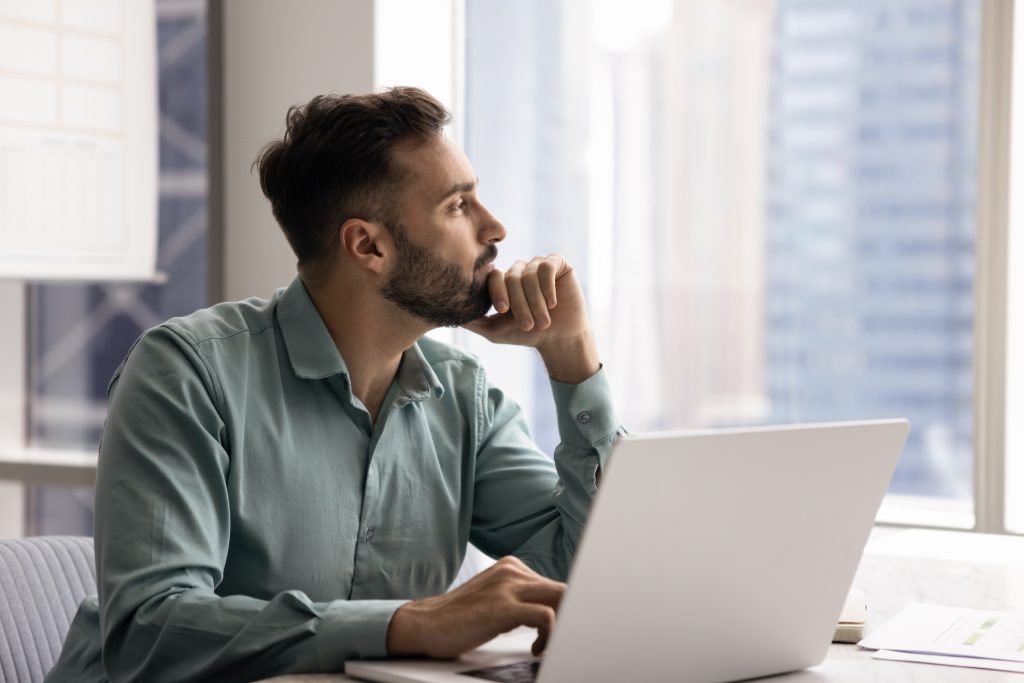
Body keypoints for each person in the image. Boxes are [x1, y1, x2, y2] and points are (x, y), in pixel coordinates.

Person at [47, 87, 623, 682]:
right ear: (367, 245)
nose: (495, 228)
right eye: (459, 206)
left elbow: (588, 571)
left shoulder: (464, 397)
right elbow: (151, 631)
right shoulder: (186, 373)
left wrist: (571, 355)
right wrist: (408, 624)